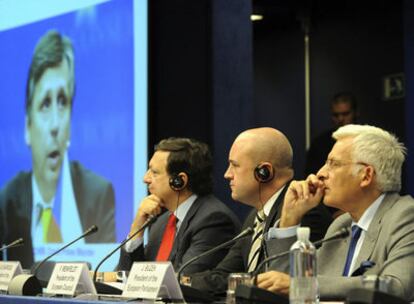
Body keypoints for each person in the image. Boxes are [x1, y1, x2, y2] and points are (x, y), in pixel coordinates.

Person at [258, 124, 414, 301]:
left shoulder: (406, 216)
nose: (320, 173)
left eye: (333, 164)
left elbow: (397, 286)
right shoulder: (341, 225)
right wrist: (289, 218)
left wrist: (309, 285)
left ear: (366, 175)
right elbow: (284, 287)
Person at [0, 30, 115, 269]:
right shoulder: (8, 201)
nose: (55, 124)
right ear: (27, 126)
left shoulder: (99, 194)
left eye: (62, 102)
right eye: (44, 104)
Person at [189, 127, 333, 294]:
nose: (227, 174)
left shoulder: (305, 211)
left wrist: (248, 282)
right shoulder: (255, 217)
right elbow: (224, 274)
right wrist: (184, 281)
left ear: (264, 172)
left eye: (234, 165)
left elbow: (282, 283)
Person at [117, 137, 241, 274]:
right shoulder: (161, 223)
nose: (145, 179)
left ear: (179, 181)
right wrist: (137, 228)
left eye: (154, 172)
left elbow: (184, 279)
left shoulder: (214, 220)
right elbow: (127, 279)